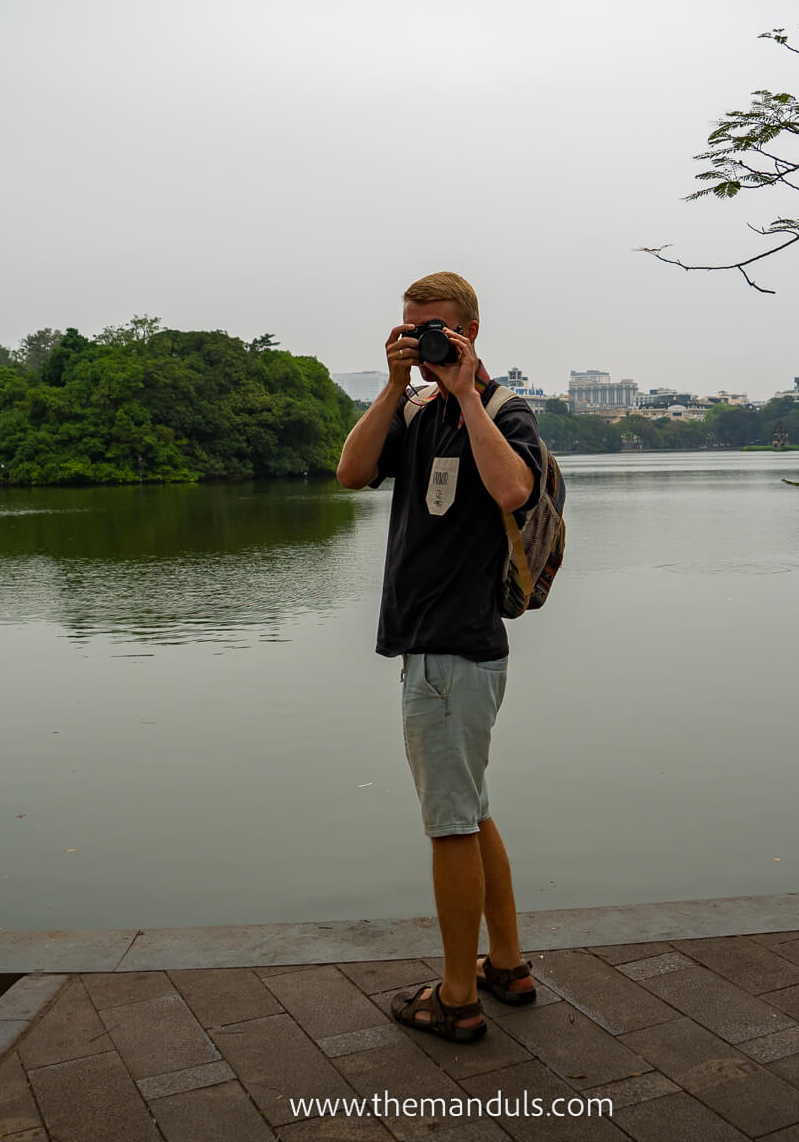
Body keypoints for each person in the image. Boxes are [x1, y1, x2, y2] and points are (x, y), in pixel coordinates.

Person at [334, 271, 544, 1043]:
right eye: (409, 328)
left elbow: (513, 490)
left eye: (434, 330)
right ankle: (508, 966)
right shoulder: (414, 410)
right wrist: (394, 387)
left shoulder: (499, 410)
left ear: (470, 332)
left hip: (454, 651)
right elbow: (352, 472)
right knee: (473, 810)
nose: (421, 342)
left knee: (451, 824)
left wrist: (463, 393)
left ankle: (457, 997)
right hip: (440, 651)